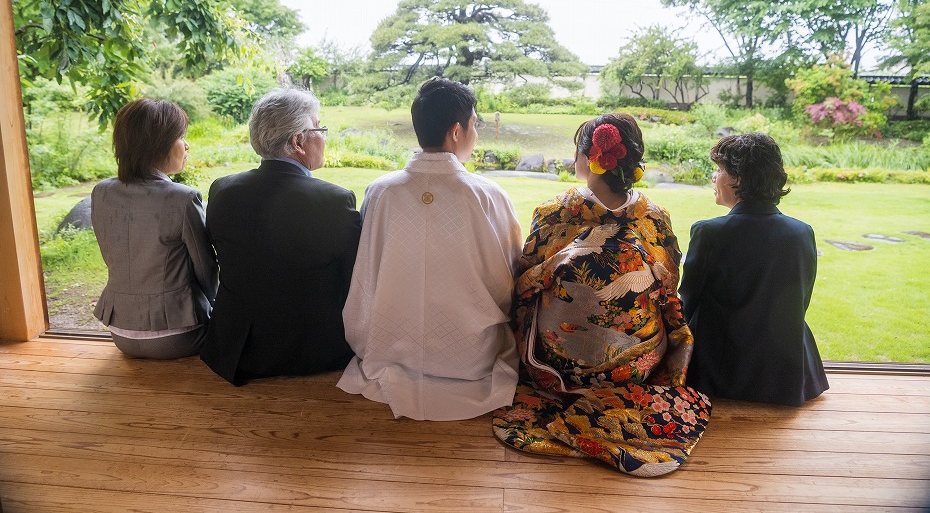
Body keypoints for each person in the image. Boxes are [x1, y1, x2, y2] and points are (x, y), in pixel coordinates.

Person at [492, 113, 710, 477]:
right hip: (634, 371)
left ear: (585, 158)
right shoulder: (654, 217)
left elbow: (524, 281)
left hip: (556, 371)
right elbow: (669, 285)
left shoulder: (555, 213)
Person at [337, 77, 523, 421]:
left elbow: (366, 269)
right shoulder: (487, 194)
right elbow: (511, 272)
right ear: (456, 131)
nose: (476, 134)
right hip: (470, 354)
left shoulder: (380, 192)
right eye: (474, 125)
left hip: (388, 343)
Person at [200, 87, 361, 386]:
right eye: (320, 128)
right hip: (315, 351)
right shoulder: (334, 201)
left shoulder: (222, 190)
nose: (324, 137)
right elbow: (355, 278)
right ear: (298, 141)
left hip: (237, 350)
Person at [680, 133, 829, 406]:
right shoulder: (801, 233)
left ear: (739, 178)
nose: (714, 177)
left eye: (720, 170)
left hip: (721, 371)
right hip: (787, 372)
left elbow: (686, 304)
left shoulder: (710, 232)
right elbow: (801, 301)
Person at [92, 99, 216, 359]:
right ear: (158, 145)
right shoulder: (183, 198)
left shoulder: (101, 192)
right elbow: (205, 267)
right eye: (181, 137)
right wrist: (216, 305)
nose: (186, 145)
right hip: (179, 334)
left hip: (120, 333)